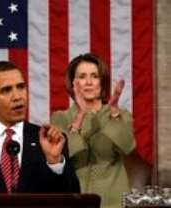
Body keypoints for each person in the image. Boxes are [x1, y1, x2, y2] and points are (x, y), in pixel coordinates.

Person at [0, 61, 80, 193]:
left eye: (21, 87)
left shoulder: (50, 141)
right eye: (6, 90)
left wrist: (55, 163)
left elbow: (71, 199)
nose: (17, 96)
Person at [51, 53, 136, 208]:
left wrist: (114, 113)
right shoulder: (60, 118)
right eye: (82, 77)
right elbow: (65, 156)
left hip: (114, 202)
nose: (89, 82)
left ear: (102, 83)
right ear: (72, 83)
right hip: (74, 200)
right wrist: (80, 115)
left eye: (95, 76)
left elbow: (127, 146)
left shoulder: (120, 115)